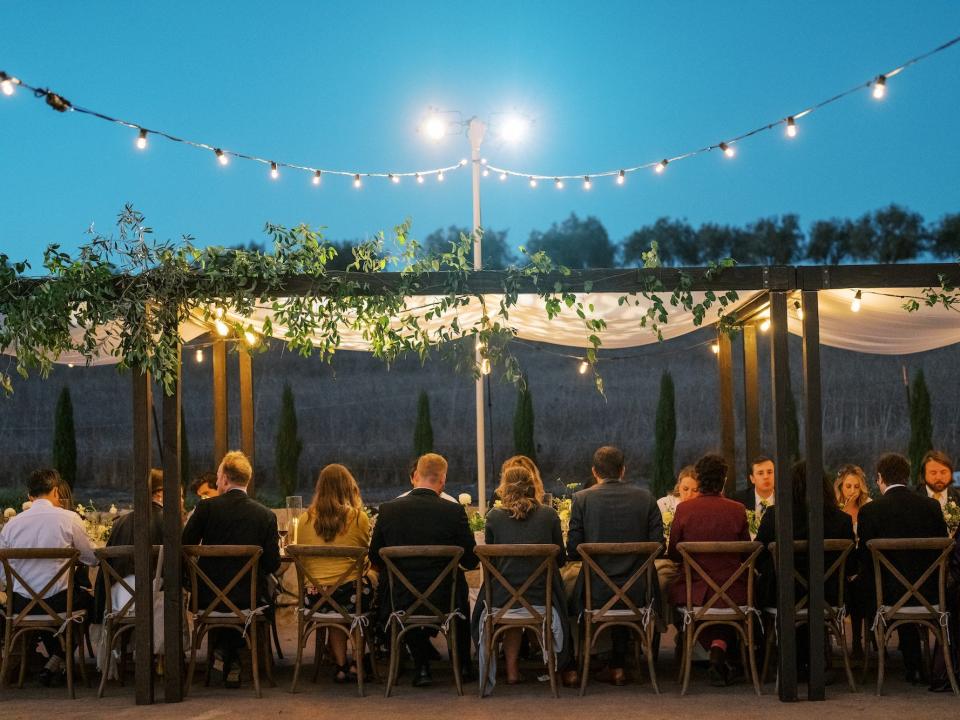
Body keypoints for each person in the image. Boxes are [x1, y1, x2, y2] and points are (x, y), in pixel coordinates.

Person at [369, 453, 477, 688]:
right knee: (457, 585)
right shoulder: (453, 512)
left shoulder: (388, 510)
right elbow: (471, 561)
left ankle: (422, 667)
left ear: (415, 476)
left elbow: (374, 557)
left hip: (401, 600)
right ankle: (463, 665)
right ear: (443, 479)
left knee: (403, 588)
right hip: (444, 600)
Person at [181, 450, 281, 689]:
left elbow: (185, 547)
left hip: (207, 598)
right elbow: (272, 564)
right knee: (243, 597)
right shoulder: (265, 515)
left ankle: (225, 653)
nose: (216, 482)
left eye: (217, 477)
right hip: (248, 598)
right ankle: (230, 656)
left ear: (225, 478)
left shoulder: (205, 510)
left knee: (226, 597)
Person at [567, 445, 662, 686]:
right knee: (625, 583)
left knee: (568, 589)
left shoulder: (582, 499)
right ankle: (619, 663)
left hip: (596, 593)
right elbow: (659, 546)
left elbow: (573, 550)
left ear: (594, 471)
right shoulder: (646, 498)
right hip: (639, 592)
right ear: (623, 470)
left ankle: (587, 662)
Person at [474, 464, 570, 689]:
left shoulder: (494, 517)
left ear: (504, 487)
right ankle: (558, 668)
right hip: (541, 599)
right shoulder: (548, 515)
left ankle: (512, 672)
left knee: (511, 596)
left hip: (502, 600)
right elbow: (562, 559)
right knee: (553, 593)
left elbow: (493, 561)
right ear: (532, 485)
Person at [755, 461, 855, 677]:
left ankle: (788, 660)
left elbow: (758, 558)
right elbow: (851, 565)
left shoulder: (775, 516)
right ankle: (818, 657)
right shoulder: (841, 521)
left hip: (782, 596)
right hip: (828, 597)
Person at [857, 452, 948, 685]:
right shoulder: (931, 506)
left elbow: (864, 560)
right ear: (908, 477)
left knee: (871, 582)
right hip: (929, 594)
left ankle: (875, 655)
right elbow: (943, 551)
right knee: (909, 582)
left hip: (886, 595)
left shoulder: (870, 511)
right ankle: (920, 664)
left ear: (879, 478)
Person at [0, 468, 97, 686]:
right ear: (55, 490)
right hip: (61, 603)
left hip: (21, 606)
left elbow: (2, 574)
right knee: (91, 603)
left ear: (29, 495)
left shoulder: (11, 525)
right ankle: (60, 659)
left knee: (38, 602)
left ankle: (52, 662)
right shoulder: (70, 519)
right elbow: (92, 559)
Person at [668, 453, 749, 687]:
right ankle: (723, 652)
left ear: (699, 479)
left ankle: (716, 652)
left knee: (682, 601)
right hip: (734, 593)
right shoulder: (737, 509)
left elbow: (674, 553)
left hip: (696, 593)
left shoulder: (685, 510)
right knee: (724, 601)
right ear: (724, 480)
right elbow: (745, 554)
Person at [295, 463, 376, 682]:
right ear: (348, 488)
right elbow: (365, 554)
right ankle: (359, 664)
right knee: (363, 590)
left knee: (334, 604)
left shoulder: (303, 520)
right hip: (350, 595)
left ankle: (341, 666)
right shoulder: (359, 518)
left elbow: (302, 557)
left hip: (314, 597)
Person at [94, 469, 167, 622]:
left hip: (117, 601)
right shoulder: (169, 521)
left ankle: (118, 643)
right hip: (155, 603)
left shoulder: (120, 522)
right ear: (160, 493)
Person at [832, 463, 872, 660]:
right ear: (841, 487)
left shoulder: (869, 507)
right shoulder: (834, 511)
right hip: (840, 563)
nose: (853, 491)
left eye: (856, 486)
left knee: (858, 583)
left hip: (862, 564)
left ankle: (858, 639)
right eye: (848, 486)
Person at [732, 455, 776, 519]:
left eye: (769, 472)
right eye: (760, 473)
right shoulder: (738, 500)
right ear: (752, 479)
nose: (766, 477)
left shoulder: (786, 500)